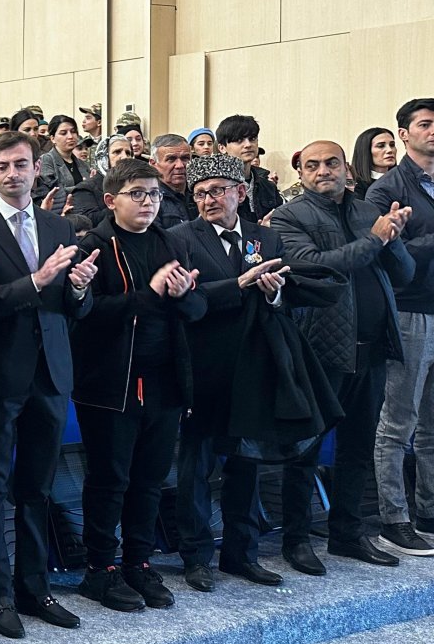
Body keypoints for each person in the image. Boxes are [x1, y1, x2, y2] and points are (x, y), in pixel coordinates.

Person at [167, 155, 337, 592]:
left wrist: (275, 295)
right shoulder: (180, 238)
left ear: (241, 193)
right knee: (196, 466)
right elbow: (185, 301)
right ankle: (196, 556)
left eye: (218, 190)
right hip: (202, 365)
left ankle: (241, 553)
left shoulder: (266, 237)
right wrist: (239, 286)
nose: (208, 200)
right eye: (200, 193)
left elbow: (286, 298)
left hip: (254, 366)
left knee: (247, 462)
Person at [0, 132, 97, 638]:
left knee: (38, 485)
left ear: (35, 168)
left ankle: (35, 587)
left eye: (20, 164)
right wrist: (39, 281)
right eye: (2, 166)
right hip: (0, 367)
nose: (12, 174)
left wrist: (79, 290)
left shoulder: (58, 224)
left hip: (52, 369)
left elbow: (71, 307)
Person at [269, 141, 414, 570]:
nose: (323, 171)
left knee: (357, 448)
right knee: (304, 449)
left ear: (346, 167)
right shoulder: (288, 216)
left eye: (331, 163)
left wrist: (394, 241)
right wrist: (376, 239)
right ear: (302, 172)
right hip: (321, 351)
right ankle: (296, 540)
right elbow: (317, 266)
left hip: (371, 349)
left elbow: (403, 274)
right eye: (312, 166)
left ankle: (347, 534)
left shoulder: (368, 211)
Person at [70, 158, 207, 612]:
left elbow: (197, 312)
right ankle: (100, 568)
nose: (149, 202)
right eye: (138, 194)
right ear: (111, 200)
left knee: (150, 479)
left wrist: (185, 295)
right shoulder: (94, 246)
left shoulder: (170, 240)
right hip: (111, 381)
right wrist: (149, 295)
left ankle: (138, 562)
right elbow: (85, 315)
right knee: (111, 479)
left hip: (165, 377)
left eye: (155, 194)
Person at [365, 99, 434, 555]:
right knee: (399, 420)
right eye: (426, 125)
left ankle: (429, 509)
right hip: (410, 310)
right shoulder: (387, 189)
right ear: (404, 134)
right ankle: (394, 517)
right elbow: (386, 253)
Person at [216, 114, 282, 222]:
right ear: (222, 148)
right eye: (239, 140)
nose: (248, 144)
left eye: (252, 139)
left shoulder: (268, 187)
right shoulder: (216, 188)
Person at [33, 115, 89, 207]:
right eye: (63, 133)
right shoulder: (47, 160)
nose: (70, 136)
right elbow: (54, 192)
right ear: (52, 138)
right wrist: (83, 187)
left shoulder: (83, 164)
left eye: (73, 132)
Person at [148, 133, 196, 228]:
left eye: (185, 158)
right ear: (153, 164)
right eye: (171, 159)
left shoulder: (201, 194)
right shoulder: (149, 200)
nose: (180, 165)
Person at [351, 126, 400, 199]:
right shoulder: (355, 185)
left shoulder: (404, 178)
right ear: (366, 151)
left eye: (392, 145)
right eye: (381, 146)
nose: (390, 150)